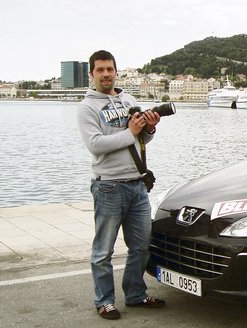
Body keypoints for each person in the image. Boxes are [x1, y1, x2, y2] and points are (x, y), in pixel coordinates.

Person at [77, 50, 165, 320]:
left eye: (110, 69)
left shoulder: (128, 99)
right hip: (108, 188)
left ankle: (136, 294)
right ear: (92, 74)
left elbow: (139, 143)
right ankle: (104, 300)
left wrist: (148, 129)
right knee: (103, 250)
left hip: (137, 185)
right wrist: (131, 132)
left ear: (116, 71)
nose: (105, 74)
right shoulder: (86, 108)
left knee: (142, 246)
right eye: (100, 70)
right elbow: (96, 145)